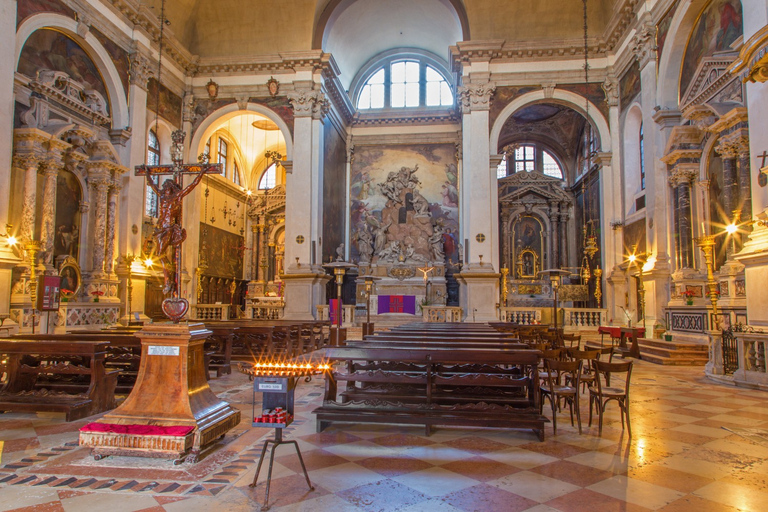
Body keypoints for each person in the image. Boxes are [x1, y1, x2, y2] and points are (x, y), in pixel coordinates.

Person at [148, 170, 208, 295]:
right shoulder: (162, 196)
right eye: (163, 187)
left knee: (160, 253)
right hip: (160, 228)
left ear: (170, 187)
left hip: (169, 228)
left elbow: (191, 186)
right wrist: (147, 174)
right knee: (159, 254)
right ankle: (168, 277)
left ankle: (168, 278)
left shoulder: (177, 197)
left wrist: (202, 172)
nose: (164, 188)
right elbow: (153, 185)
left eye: (166, 187)